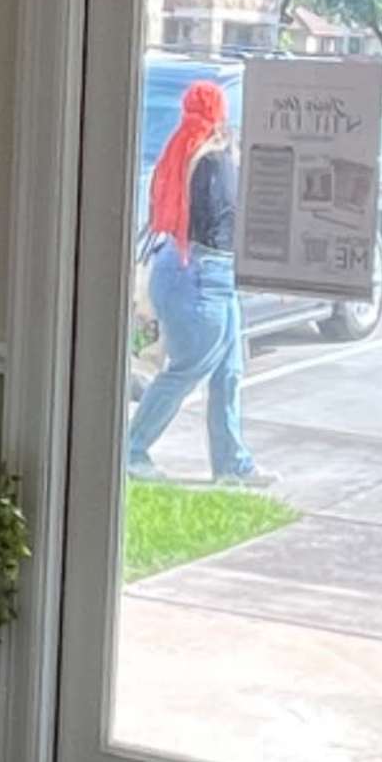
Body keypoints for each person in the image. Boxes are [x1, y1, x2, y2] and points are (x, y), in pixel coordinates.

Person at [126, 74, 264, 488]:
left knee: (228, 372)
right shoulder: (216, 158)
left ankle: (232, 463)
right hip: (206, 275)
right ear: (219, 113)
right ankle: (132, 450)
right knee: (187, 370)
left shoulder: (181, 150)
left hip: (181, 267)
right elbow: (226, 221)